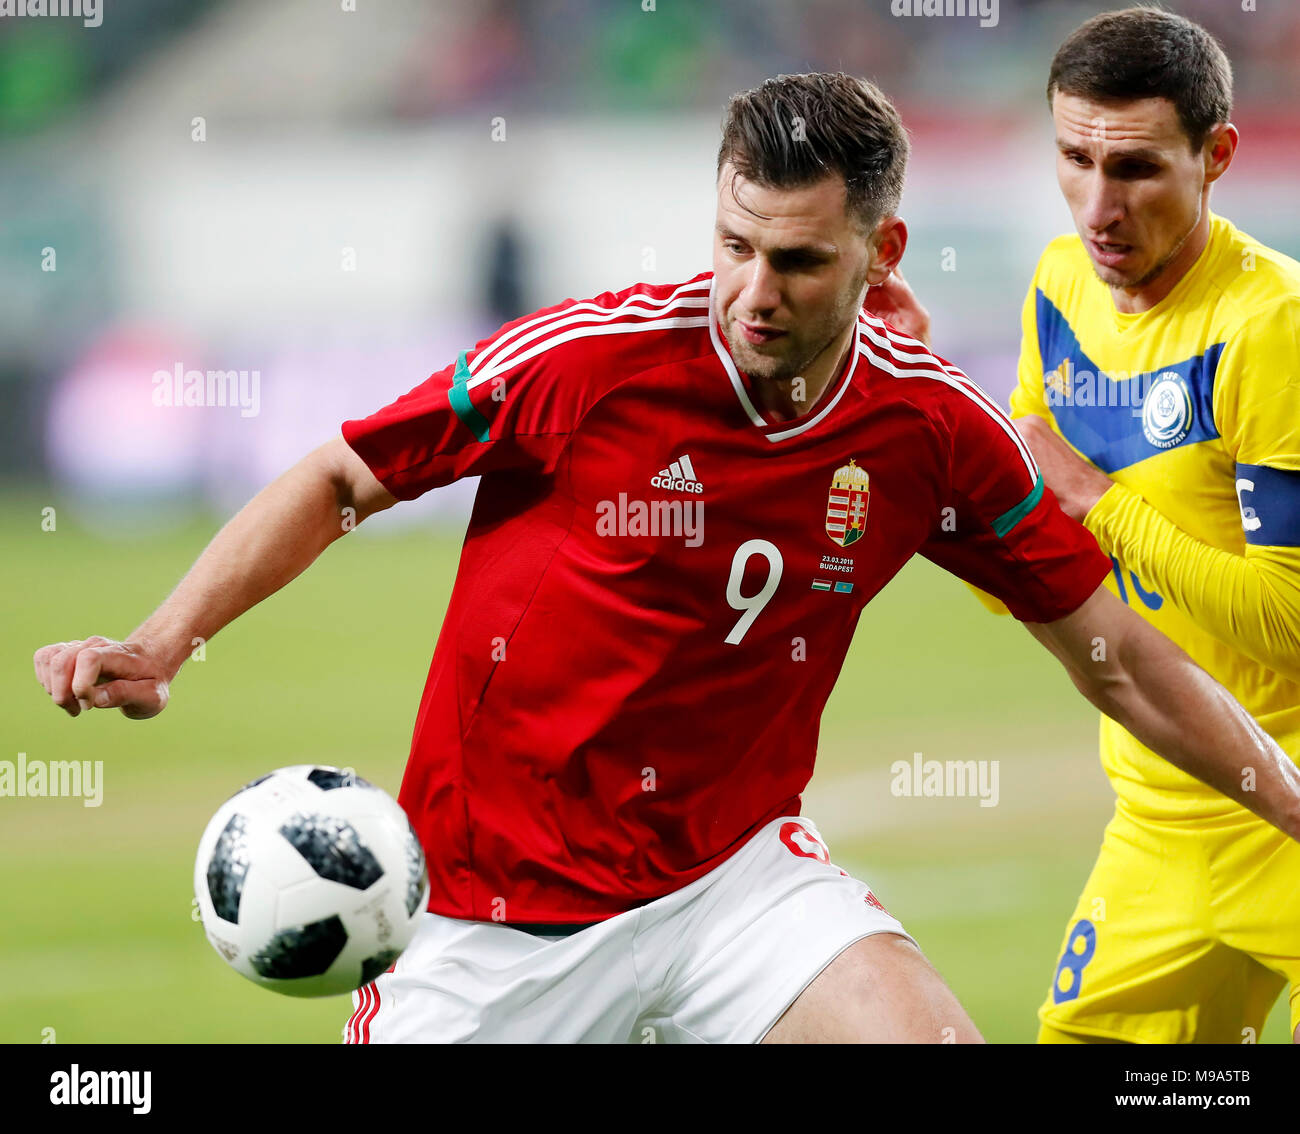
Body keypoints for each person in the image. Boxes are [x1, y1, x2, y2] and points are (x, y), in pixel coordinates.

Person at [32, 71, 1300, 1044]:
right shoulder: (585, 364)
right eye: (734, 245)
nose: (752, 291)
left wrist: (1288, 804)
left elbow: (1119, 660)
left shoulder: (927, 430)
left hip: (731, 884)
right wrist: (162, 640)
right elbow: (339, 476)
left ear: (881, 254)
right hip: (487, 914)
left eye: (800, 260)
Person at [951, 7, 1300, 1043]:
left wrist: (1105, 504)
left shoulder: (1270, 327)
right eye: (1073, 159)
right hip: (1159, 809)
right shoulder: (1059, 287)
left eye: (1138, 169)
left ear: (1215, 155)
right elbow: (1030, 559)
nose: (1098, 208)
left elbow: (1285, 620)